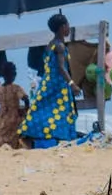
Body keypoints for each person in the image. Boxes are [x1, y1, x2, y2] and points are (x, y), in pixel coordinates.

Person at [19, 13, 79, 147]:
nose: (69, 28)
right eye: (67, 25)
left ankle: (29, 135)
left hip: (47, 83)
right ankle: (62, 139)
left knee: (41, 110)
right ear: (63, 27)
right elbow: (61, 68)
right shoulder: (60, 46)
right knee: (62, 113)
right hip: (58, 85)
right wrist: (72, 84)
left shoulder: (50, 45)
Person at [0, 62, 28, 149]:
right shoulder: (16, 88)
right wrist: (24, 110)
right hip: (15, 117)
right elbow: (26, 99)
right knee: (17, 137)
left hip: (2, 117)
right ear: (14, 74)